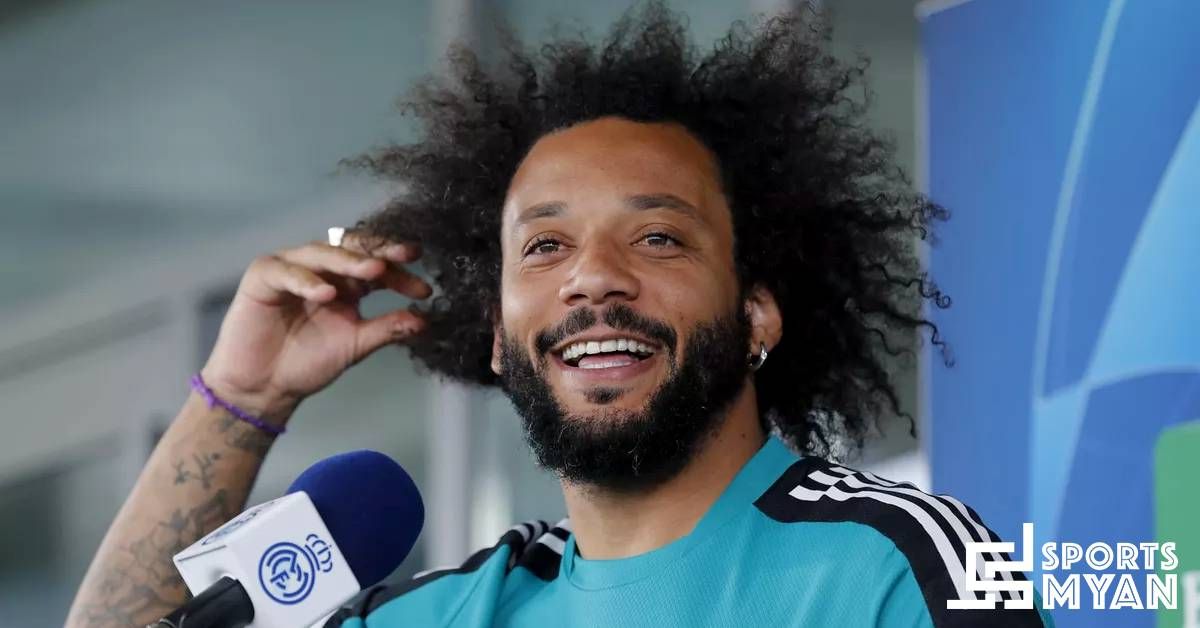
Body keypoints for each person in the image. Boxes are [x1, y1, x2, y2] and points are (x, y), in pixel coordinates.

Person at [67, 3, 1052, 626]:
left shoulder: (906, 561)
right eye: (544, 246)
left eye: (657, 237)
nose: (593, 280)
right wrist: (240, 398)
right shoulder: (452, 610)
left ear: (758, 314)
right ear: (499, 340)